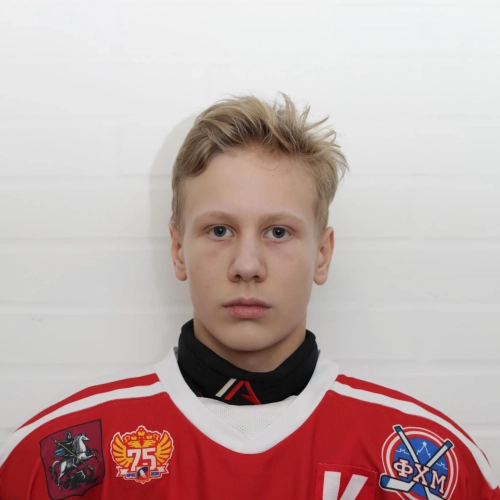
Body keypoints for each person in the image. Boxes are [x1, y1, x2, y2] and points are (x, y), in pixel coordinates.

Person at [0, 93, 498, 500]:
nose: (247, 266)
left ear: (322, 255)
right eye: (219, 230)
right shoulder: (57, 454)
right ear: (178, 250)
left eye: (278, 232)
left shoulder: (438, 465)